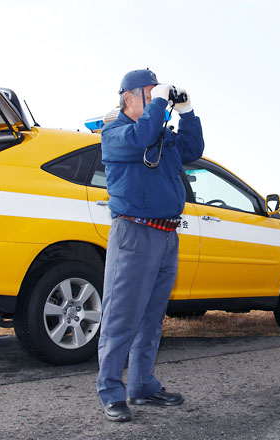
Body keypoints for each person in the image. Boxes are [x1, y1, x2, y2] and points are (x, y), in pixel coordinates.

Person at [96, 69, 205, 422]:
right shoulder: (114, 134)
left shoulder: (161, 134)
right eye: (147, 91)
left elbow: (193, 149)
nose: (155, 97)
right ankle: (111, 390)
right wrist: (160, 102)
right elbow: (142, 136)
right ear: (128, 97)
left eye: (156, 93)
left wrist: (186, 113)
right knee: (121, 317)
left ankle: (141, 385)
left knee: (151, 318)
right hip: (134, 234)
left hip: (166, 235)